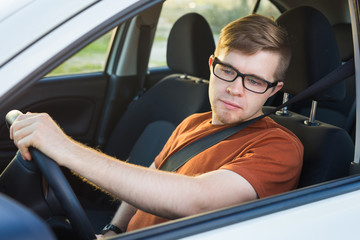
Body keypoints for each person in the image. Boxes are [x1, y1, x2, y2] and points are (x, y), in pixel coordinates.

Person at [10, 14, 303, 237]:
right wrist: (114, 229)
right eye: (227, 70)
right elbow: (151, 177)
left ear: (273, 90)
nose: (235, 89)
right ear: (212, 65)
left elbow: (197, 200)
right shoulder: (193, 123)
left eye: (254, 81)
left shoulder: (280, 148)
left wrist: (64, 148)